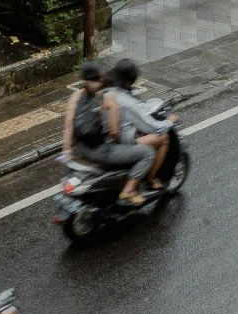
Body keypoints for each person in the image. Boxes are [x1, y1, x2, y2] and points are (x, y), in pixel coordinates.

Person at [61, 59, 154, 206]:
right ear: (100, 76)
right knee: (147, 153)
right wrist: (122, 144)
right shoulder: (107, 96)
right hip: (103, 152)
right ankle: (129, 190)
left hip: (81, 150)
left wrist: (66, 152)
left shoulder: (76, 97)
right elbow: (115, 131)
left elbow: (68, 127)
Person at [108, 57, 172, 188]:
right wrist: (169, 122)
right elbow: (150, 126)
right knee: (164, 137)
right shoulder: (128, 101)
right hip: (124, 142)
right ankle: (151, 179)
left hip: (108, 140)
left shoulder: (107, 92)